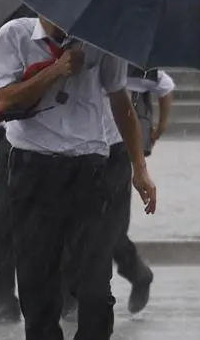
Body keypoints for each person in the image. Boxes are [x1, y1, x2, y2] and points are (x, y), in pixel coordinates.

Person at [0, 16, 157, 340]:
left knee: (95, 290)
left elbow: (122, 104)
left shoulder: (103, 38)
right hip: (33, 170)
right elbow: (6, 101)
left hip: (89, 170)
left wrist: (140, 169)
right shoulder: (15, 36)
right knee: (38, 292)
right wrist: (57, 69)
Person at [62, 67, 175, 320]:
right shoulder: (78, 55)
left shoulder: (128, 63)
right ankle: (70, 295)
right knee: (73, 224)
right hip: (78, 148)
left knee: (109, 229)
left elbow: (165, 86)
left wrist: (160, 127)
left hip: (116, 152)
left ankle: (136, 274)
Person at [0, 121, 21, 323]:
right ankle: (3, 303)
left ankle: (69, 298)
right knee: (2, 228)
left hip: (58, 139)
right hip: (13, 133)